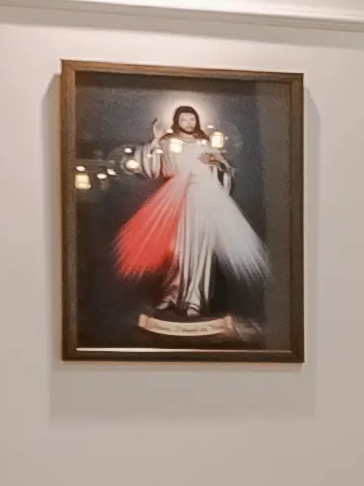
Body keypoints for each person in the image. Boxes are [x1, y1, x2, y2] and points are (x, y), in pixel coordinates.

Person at [113, 98, 271, 332]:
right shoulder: (168, 142)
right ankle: (172, 295)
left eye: (192, 118)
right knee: (176, 251)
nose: (188, 122)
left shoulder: (205, 143)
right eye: (183, 118)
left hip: (203, 201)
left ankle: (194, 301)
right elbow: (152, 167)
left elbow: (224, 172)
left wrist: (219, 165)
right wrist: (155, 138)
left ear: (197, 121)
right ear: (177, 120)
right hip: (178, 199)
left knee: (199, 251)